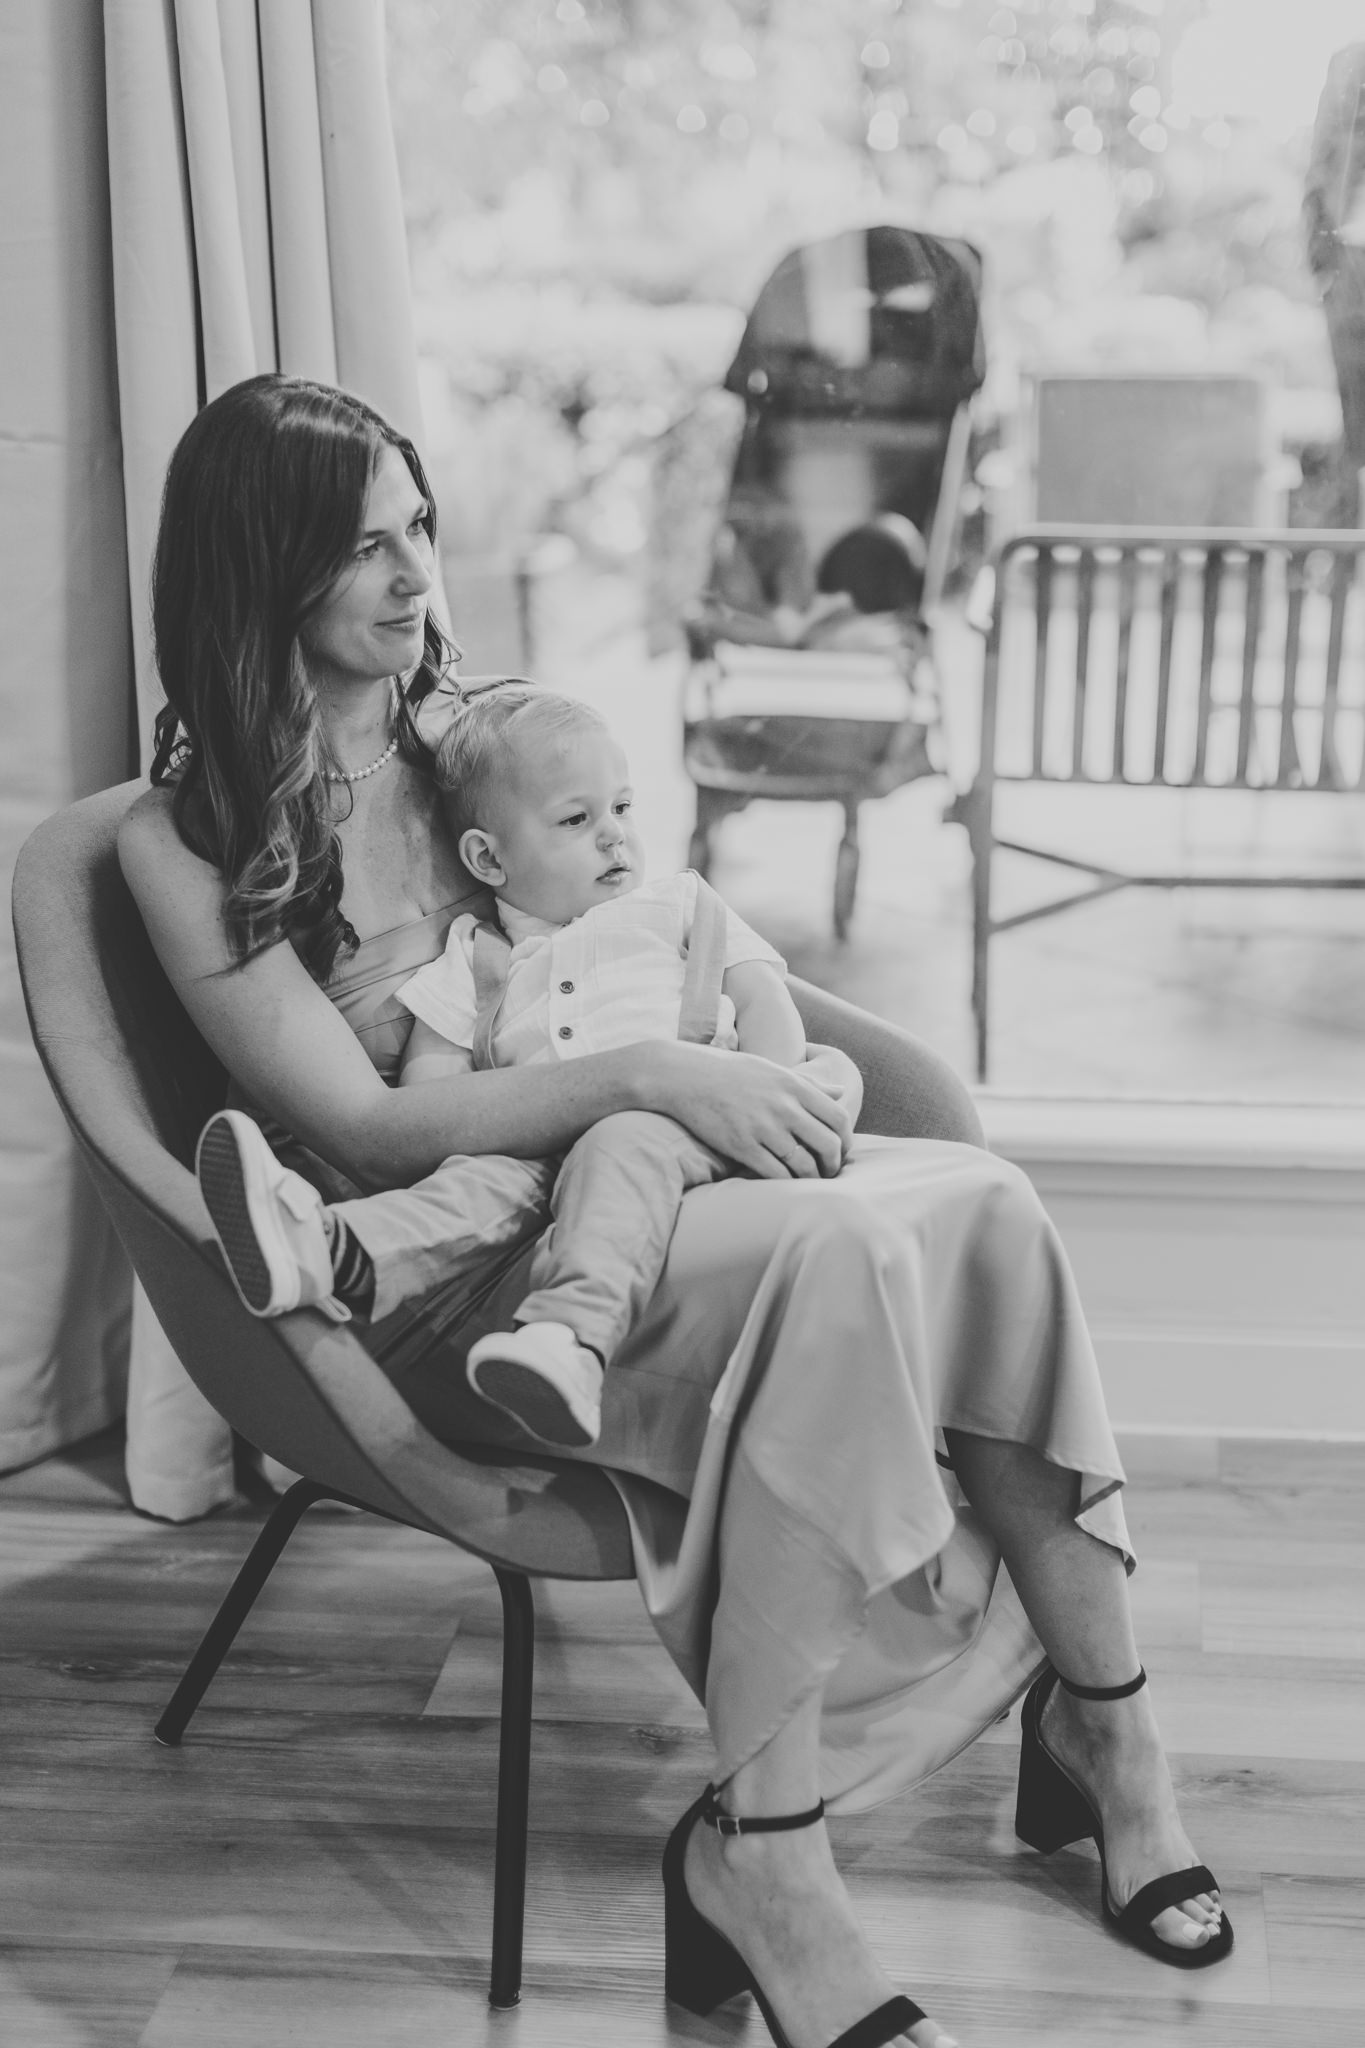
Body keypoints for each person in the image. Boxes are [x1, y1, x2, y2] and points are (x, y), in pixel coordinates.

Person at [120, 373, 1231, 2048]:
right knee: (850, 1249)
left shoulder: (478, 736)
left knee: (987, 1202)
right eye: (364, 547)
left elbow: (663, 913)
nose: (418, 576)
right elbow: (354, 1114)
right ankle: (766, 1856)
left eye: (420, 525)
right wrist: (651, 1081)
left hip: (638, 1191)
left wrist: (743, 1043)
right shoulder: (182, 834)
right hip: (463, 1271)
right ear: (256, 567)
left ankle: (1109, 1725)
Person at [195, 678, 860, 1449]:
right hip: (546, 1145)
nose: (614, 837)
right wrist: (481, 1131)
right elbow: (430, 1089)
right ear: (487, 856)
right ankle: (328, 1249)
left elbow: (764, 997)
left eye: (621, 808)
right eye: (576, 820)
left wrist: (767, 1092)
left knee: (622, 1144)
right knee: (479, 1182)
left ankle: (568, 1340)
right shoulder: (477, 957)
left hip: (699, 1124)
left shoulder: (676, 903)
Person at [1305, 41, 1365, 521]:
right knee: (1356, 423)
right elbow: (1322, 162)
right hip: (1350, 257)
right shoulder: (1349, 60)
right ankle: (1351, 554)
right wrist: (1323, 260)